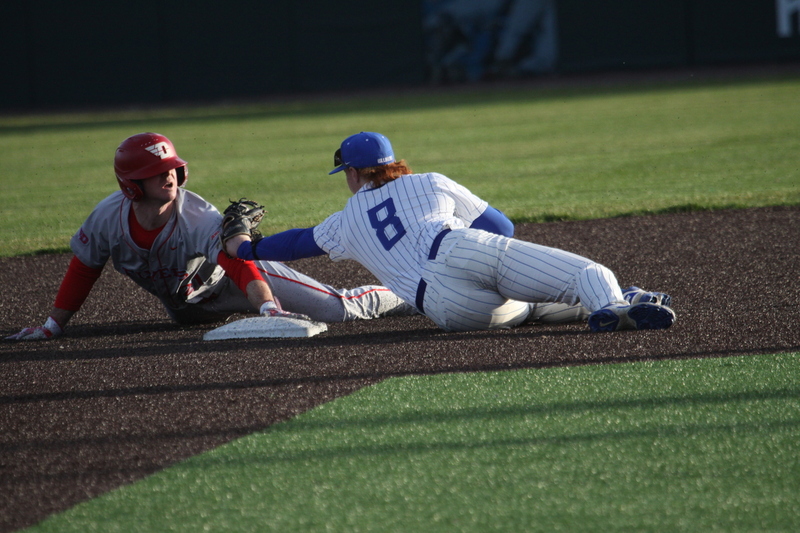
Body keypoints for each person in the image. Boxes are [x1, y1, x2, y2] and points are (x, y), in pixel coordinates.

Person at [223, 131, 676, 334]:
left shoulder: (342, 223)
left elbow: (294, 244)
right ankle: (617, 301)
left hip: (447, 310)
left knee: (531, 309)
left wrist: (246, 243)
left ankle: (616, 303)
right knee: (585, 272)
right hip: (459, 248)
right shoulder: (429, 181)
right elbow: (502, 227)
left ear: (356, 173)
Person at [5, 132, 414, 341]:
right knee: (184, 313)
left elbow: (237, 261)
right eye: (155, 172)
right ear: (132, 183)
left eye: (171, 167)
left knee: (336, 309)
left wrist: (268, 307)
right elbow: (83, 267)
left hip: (234, 284)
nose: (168, 174)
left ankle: (408, 294)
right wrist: (51, 326)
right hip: (185, 306)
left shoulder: (198, 216)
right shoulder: (107, 218)